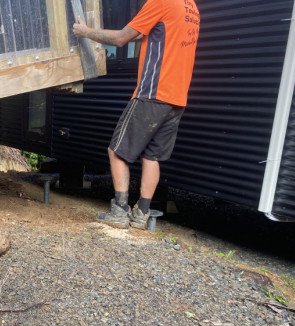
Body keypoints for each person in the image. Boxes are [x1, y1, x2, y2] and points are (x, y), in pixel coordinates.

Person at [73, 0, 200, 229]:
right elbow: (157, 38)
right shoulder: (191, 8)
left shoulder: (161, 2)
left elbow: (122, 38)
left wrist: (86, 32)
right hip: (177, 98)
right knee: (152, 156)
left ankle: (120, 211)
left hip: (153, 93)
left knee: (116, 151)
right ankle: (141, 214)